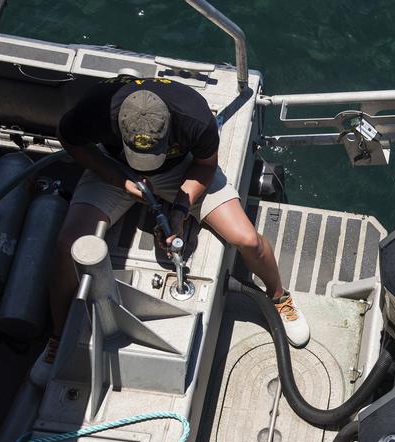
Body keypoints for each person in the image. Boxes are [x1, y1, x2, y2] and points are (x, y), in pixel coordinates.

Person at [30, 77, 310, 383]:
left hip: (181, 173)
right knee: (68, 245)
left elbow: (204, 166)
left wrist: (179, 208)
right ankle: (57, 337)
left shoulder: (194, 116)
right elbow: (68, 137)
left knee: (247, 239)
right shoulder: (98, 107)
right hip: (118, 168)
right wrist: (118, 179)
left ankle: (280, 297)